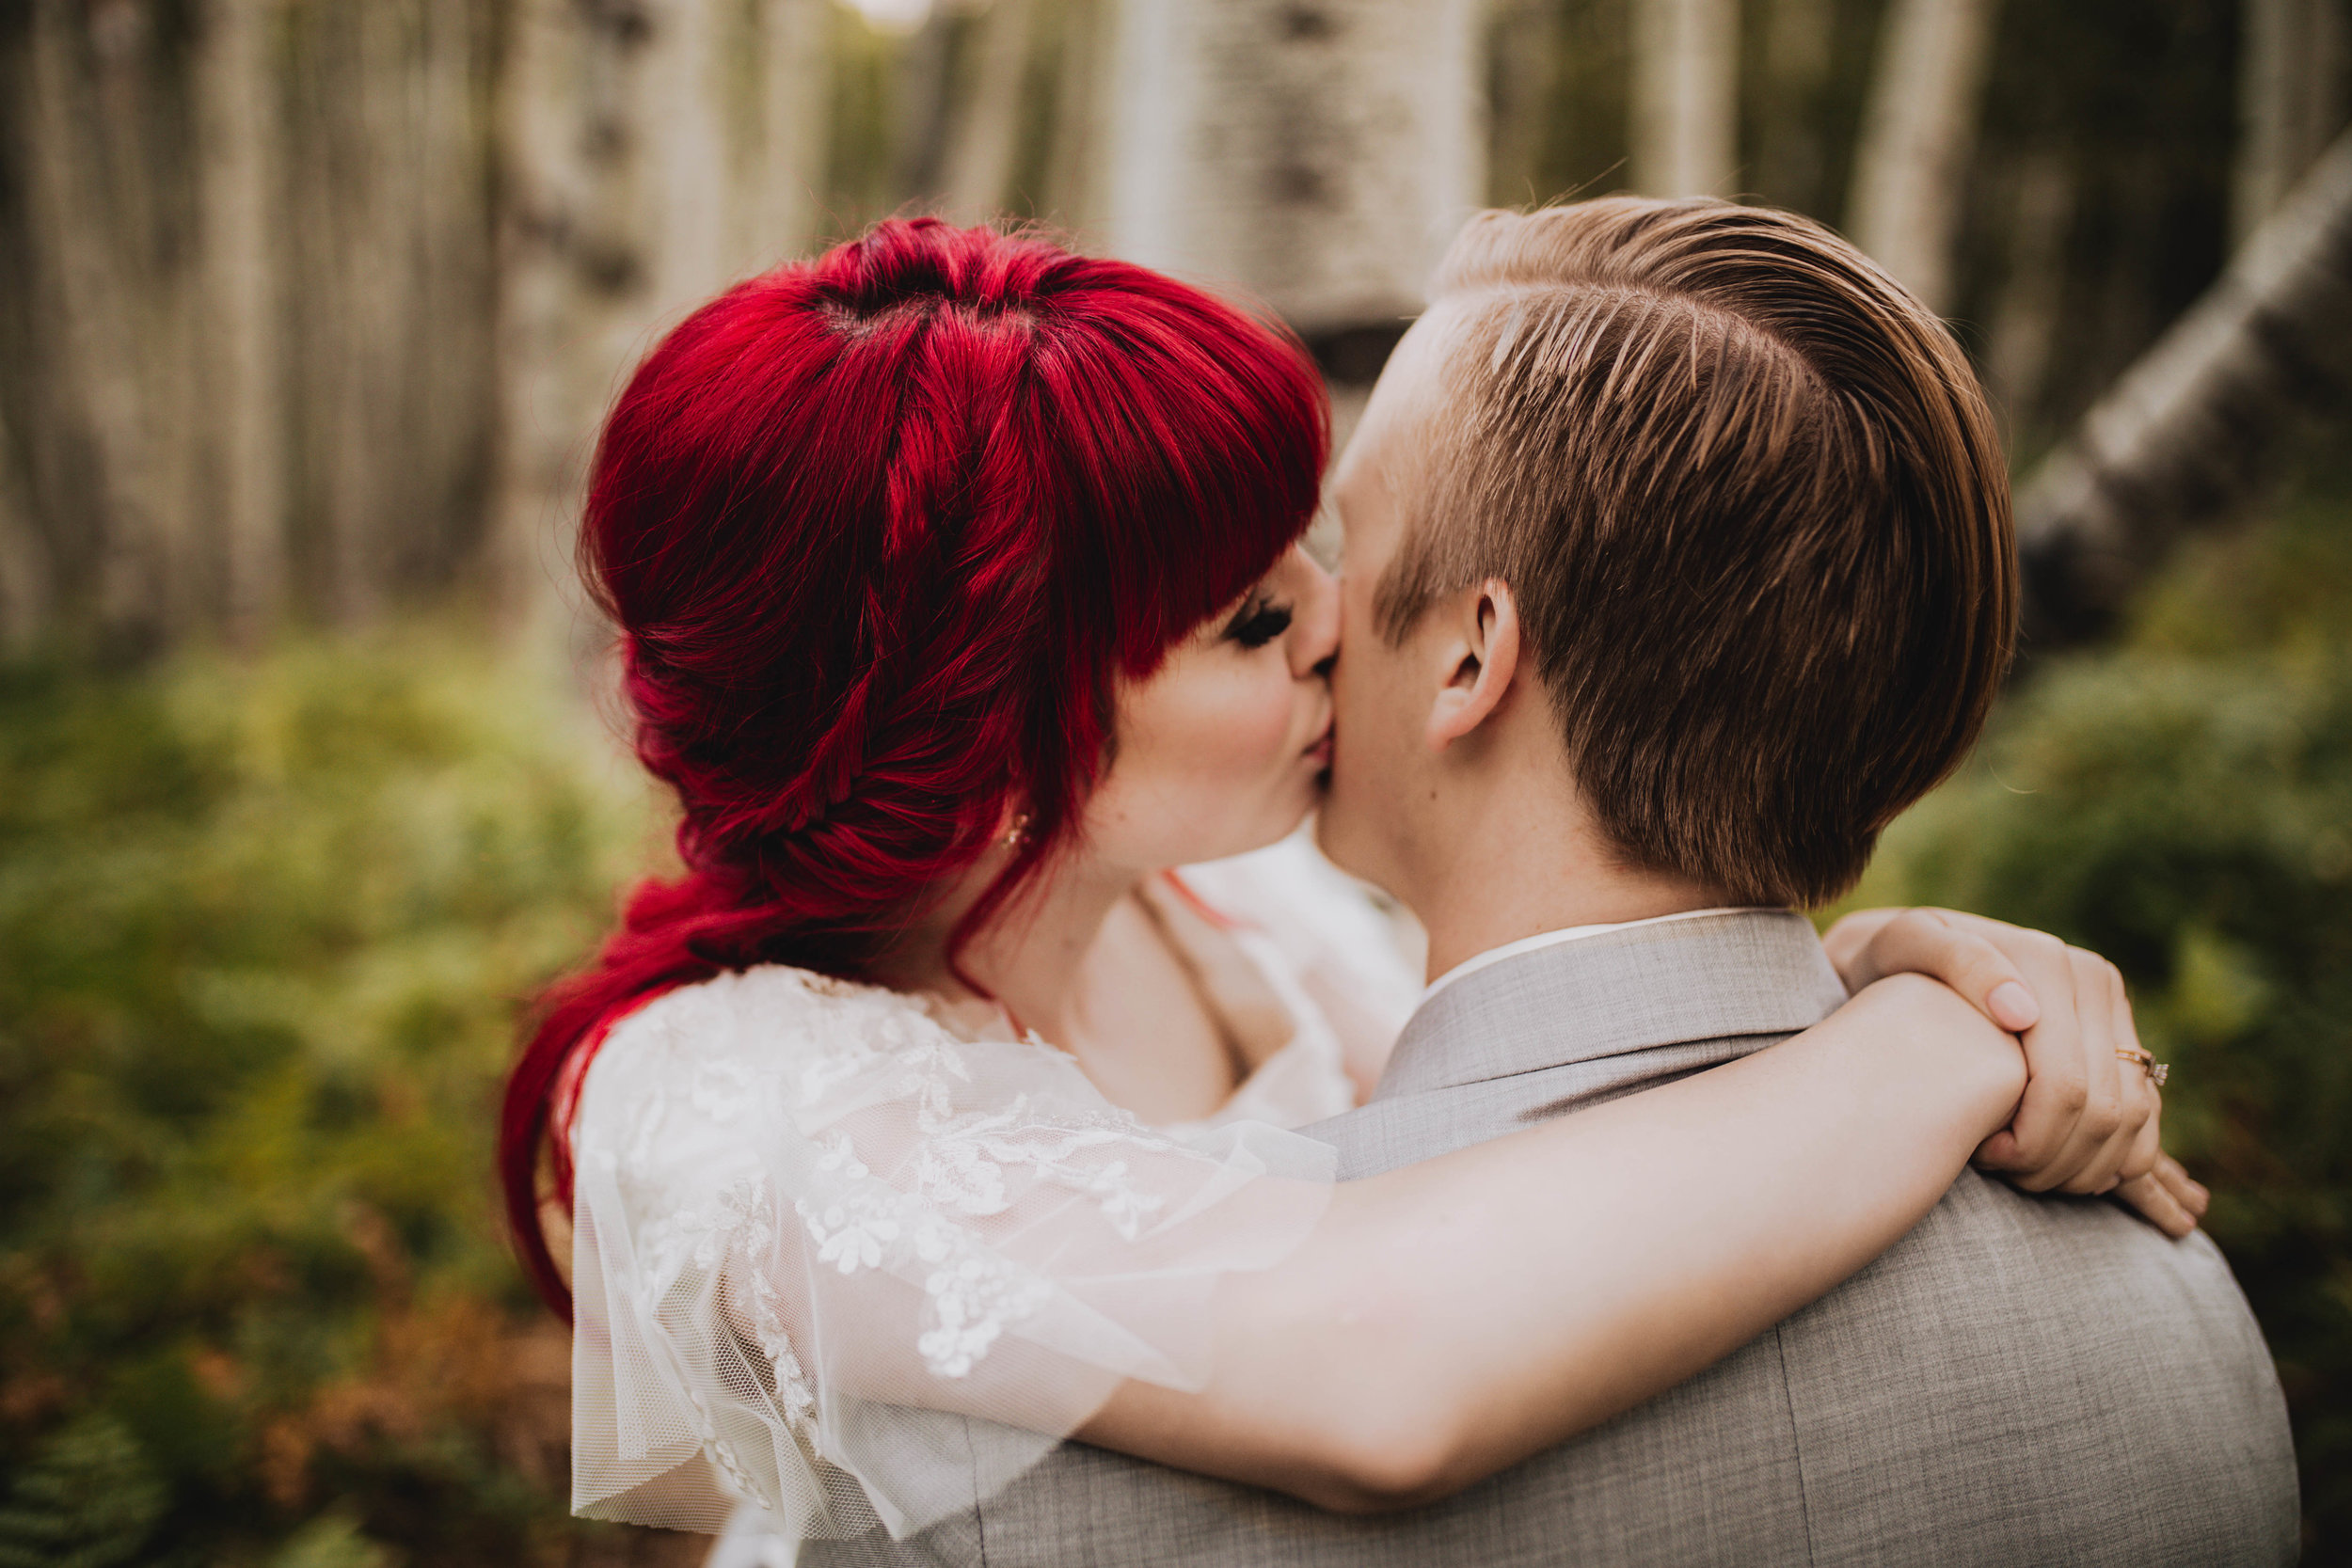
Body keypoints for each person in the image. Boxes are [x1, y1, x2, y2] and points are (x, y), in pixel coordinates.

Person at [498, 216, 2202, 1558]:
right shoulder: (733, 1107)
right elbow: (1380, 1379)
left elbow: (1540, 1122)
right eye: (1248, 618)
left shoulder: (1273, 921)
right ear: (988, 730)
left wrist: (1870, 960)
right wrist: (1921, 1048)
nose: (1334, 619)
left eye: (1312, 545)